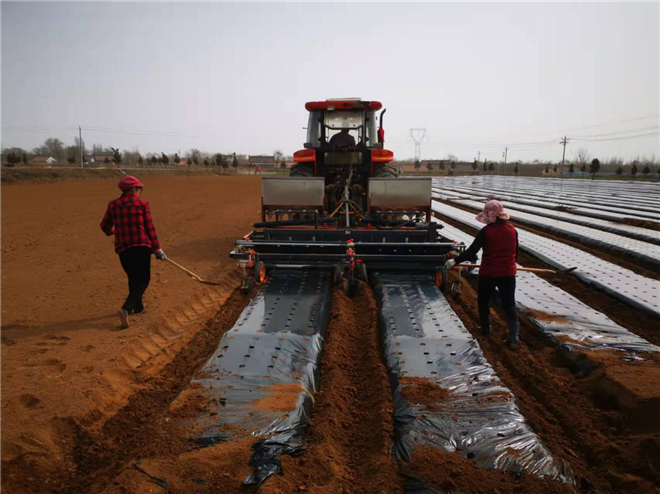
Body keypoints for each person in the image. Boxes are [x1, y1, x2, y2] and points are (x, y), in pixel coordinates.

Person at [444, 200, 520, 350]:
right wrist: (508, 265)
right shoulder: (512, 230)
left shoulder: (487, 232)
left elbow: (472, 252)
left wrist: (455, 261)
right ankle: (514, 337)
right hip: (508, 274)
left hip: (489, 273)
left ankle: (485, 329)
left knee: (483, 300)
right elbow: (515, 253)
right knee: (509, 303)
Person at [100, 176, 166, 329]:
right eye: (139, 189)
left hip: (123, 248)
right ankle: (127, 308)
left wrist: (113, 231)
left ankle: (139, 307)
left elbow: (104, 226)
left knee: (133, 276)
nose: (139, 192)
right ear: (133, 189)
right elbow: (150, 228)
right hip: (141, 247)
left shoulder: (113, 205)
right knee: (143, 279)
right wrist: (157, 249)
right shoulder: (141, 204)